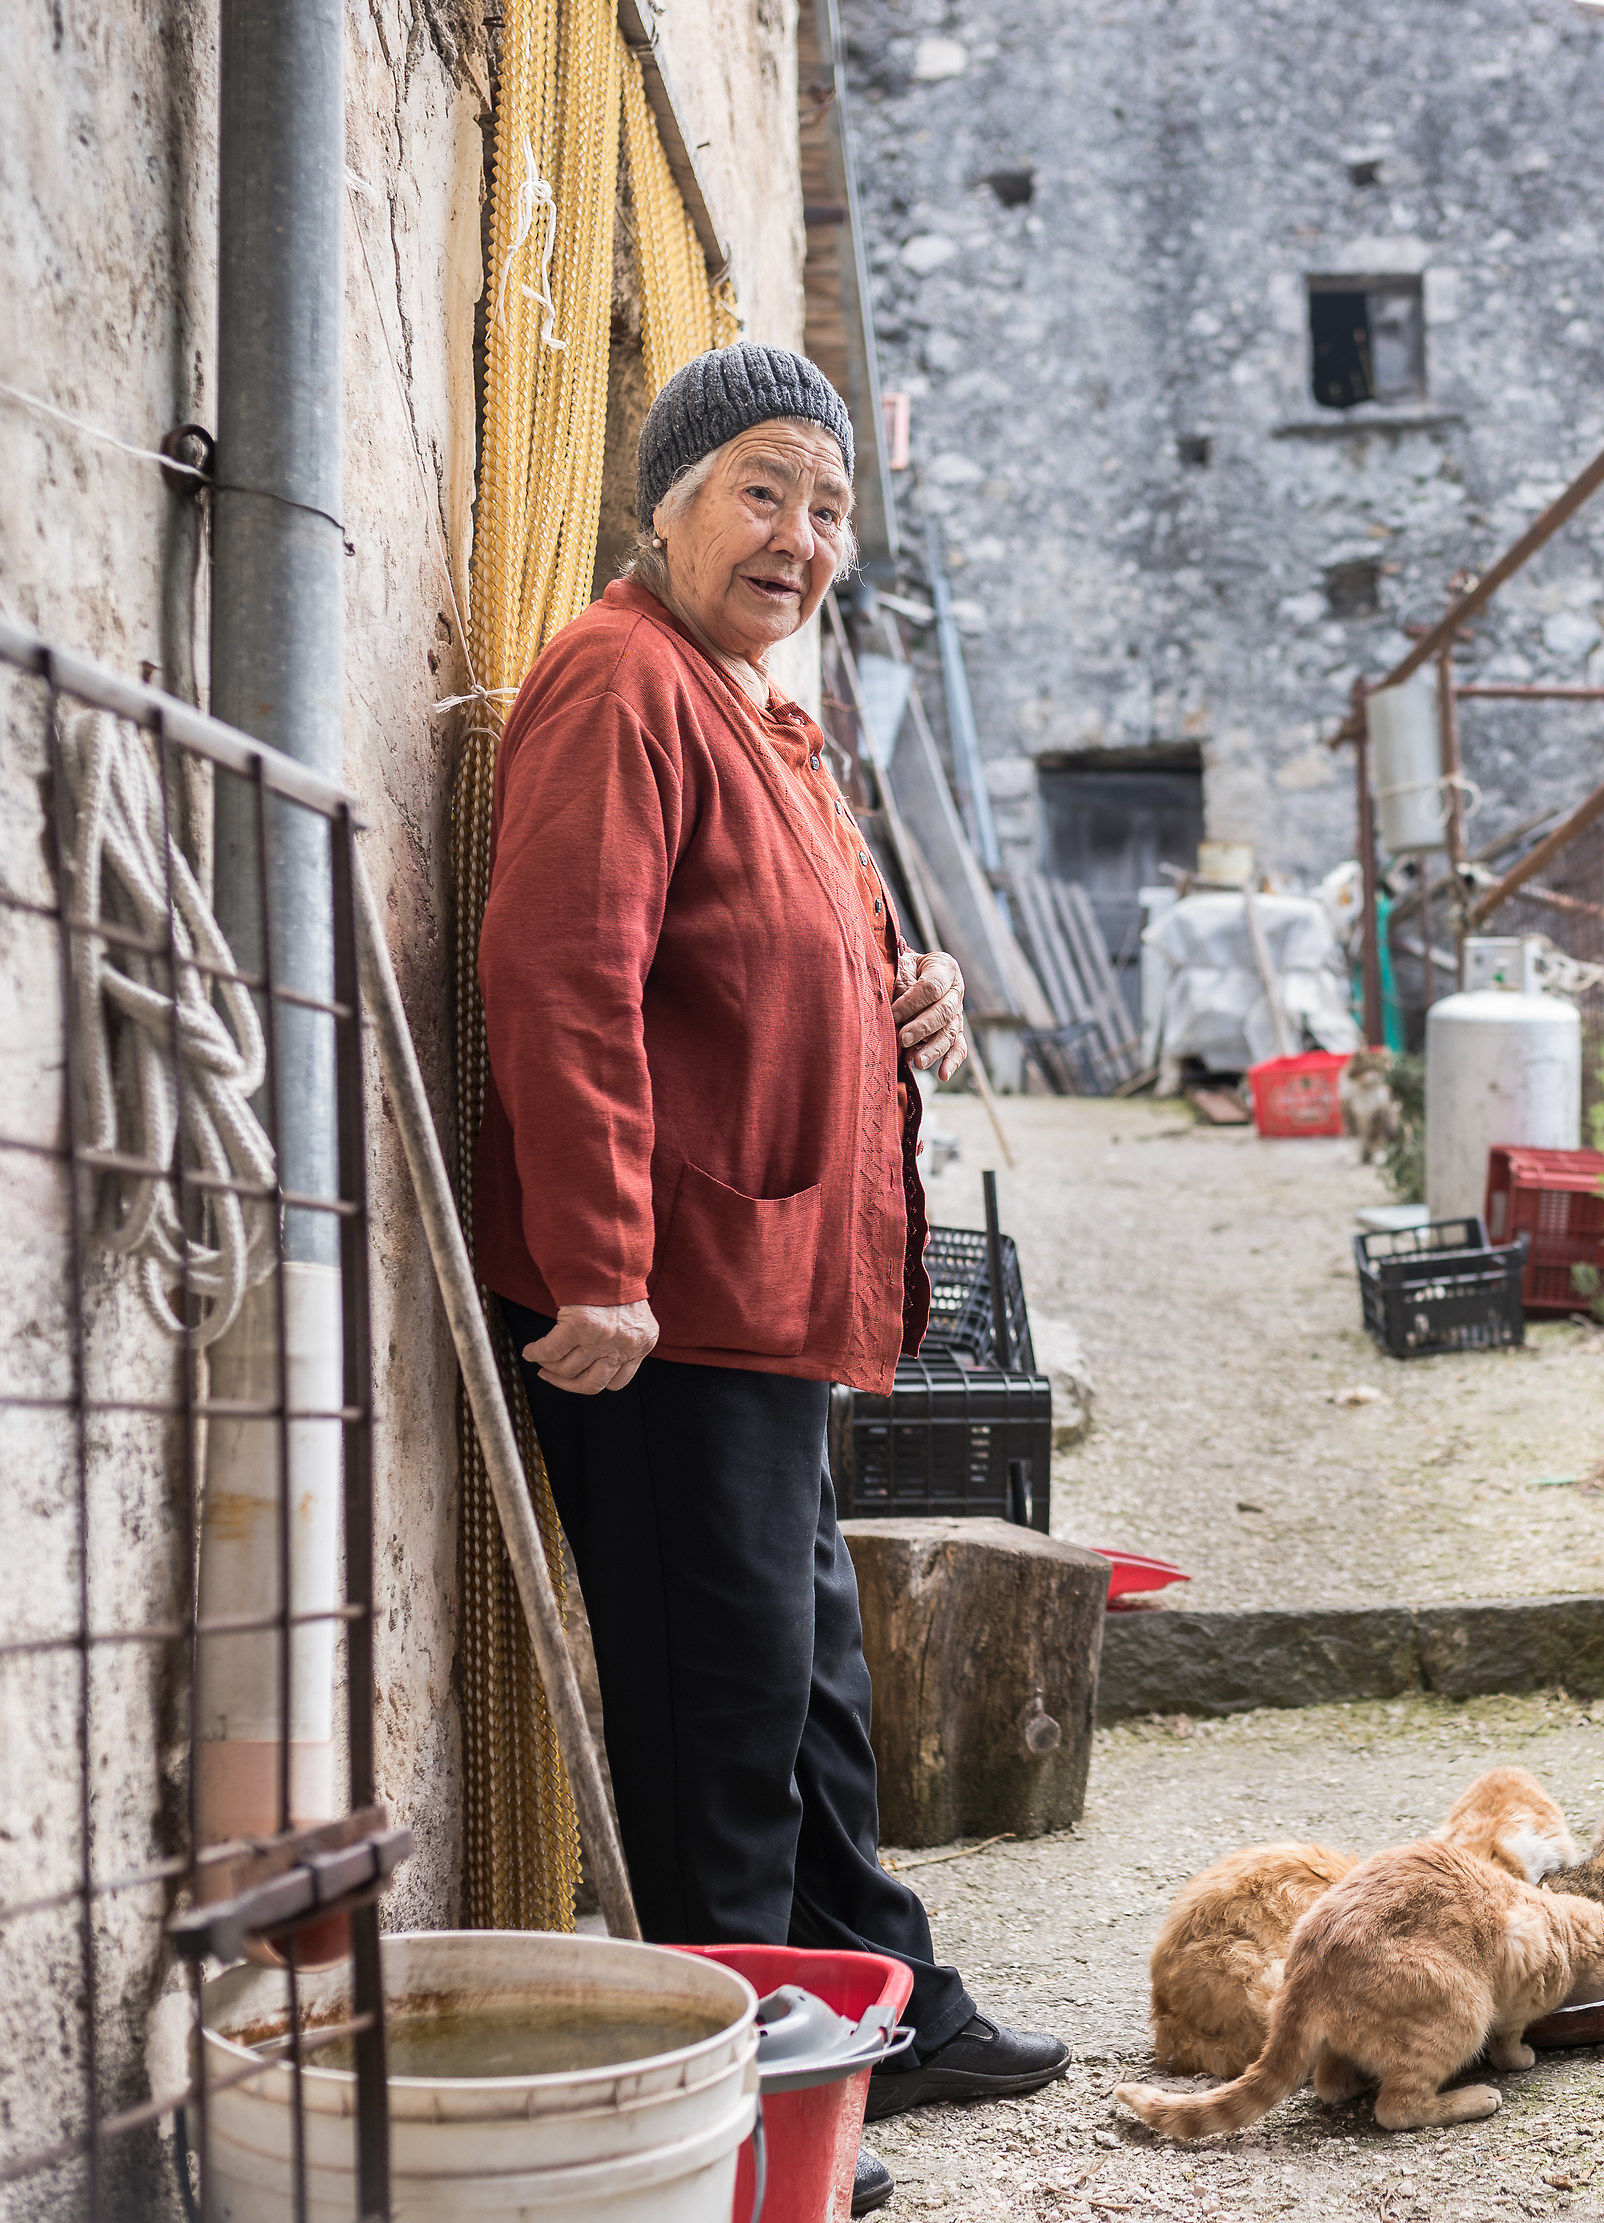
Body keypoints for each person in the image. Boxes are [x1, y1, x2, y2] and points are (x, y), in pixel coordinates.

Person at [475, 342, 1068, 2211]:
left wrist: (915, 982)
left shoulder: (757, 711)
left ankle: (877, 2007)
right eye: (763, 491)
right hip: (663, 1306)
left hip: (770, 1286)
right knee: (714, 1712)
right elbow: (564, 974)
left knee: (804, 1688)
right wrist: (597, 1260)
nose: (802, 536)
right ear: (665, 500)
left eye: (829, 508)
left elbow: (819, 933)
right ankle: (744, 2098)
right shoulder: (619, 682)